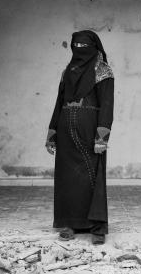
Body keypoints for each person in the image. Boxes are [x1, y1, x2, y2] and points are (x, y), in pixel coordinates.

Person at [46, 30, 113, 244]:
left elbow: (107, 106)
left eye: (85, 46)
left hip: (89, 129)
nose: (80, 50)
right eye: (76, 46)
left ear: (94, 47)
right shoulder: (68, 71)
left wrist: (102, 137)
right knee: (67, 178)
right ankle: (69, 223)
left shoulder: (102, 70)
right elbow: (59, 102)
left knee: (92, 176)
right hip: (66, 128)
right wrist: (52, 132)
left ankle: (97, 226)